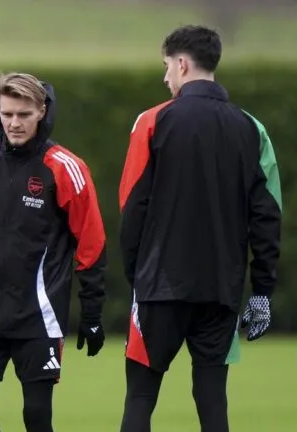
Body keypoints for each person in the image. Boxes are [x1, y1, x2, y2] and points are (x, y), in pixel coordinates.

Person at [118, 25, 281, 432]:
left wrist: (135, 272)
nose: (165, 78)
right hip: (220, 288)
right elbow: (267, 214)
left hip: (158, 285)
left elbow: (131, 203)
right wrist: (260, 291)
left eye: (166, 68)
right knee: (212, 400)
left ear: (182, 63)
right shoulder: (251, 128)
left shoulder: (153, 120)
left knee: (140, 396)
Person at [0, 72, 107, 432]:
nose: (14, 123)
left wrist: (92, 312)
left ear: (42, 112)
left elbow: (92, 245)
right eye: (7, 114)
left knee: (36, 416)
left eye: (24, 114)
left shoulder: (66, 168)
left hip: (39, 314)